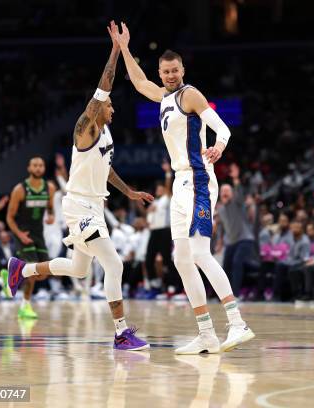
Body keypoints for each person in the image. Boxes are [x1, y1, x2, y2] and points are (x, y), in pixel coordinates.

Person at [5, 21, 152, 351]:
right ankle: (121, 332)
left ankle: (21, 269)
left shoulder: (107, 134)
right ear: (99, 108)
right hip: (80, 206)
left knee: (79, 269)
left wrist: (128, 192)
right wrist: (116, 51)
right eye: (110, 105)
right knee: (113, 264)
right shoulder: (86, 127)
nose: (113, 108)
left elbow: (106, 168)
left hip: (93, 205)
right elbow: (105, 87)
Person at [114, 22, 254, 354]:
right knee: (181, 259)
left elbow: (222, 127)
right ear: (160, 72)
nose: (171, 74)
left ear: (182, 69)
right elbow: (137, 81)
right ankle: (206, 333)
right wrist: (122, 49)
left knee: (201, 252)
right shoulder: (163, 96)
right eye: (166, 71)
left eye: (175, 69)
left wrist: (219, 145)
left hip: (199, 179)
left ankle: (237, 323)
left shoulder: (189, 94)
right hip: (180, 183)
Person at [5, 157, 56, 319]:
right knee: (33, 271)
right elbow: (9, 217)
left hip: (38, 233)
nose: (38, 168)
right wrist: (19, 234)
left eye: (41, 165)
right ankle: (25, 305)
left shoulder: (50, 188)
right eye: (35, 165)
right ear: (29, 168)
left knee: (44, 273)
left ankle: (11, 275)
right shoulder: (20, 190)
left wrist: (51, 216)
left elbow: (50, 209)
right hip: (23, 233)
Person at [217, 163, 256, 297]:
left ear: (232, 194)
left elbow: (239, 194)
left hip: (245, 239)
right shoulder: (220, 209)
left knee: (237, 263)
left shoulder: (237, 203)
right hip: (231, 241)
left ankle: (236, 294)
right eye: (222, 191)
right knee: (225, 266)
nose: (225, 193)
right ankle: (226, 295)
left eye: (227, 191)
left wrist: (236, 180)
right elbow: (221, 227)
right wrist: (220, 241)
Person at [142, 161, 176, 295]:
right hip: (154, 232)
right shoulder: (154, 203)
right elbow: (148, 220)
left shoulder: (166, 199)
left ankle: (172, 286)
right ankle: (155, 283)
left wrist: (168, 173)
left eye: (160, 188)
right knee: (149, 259)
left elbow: (168, 187)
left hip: (164, 231)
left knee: (167, 259)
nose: (158, 190)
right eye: (157, 189)